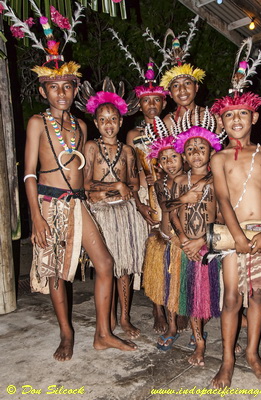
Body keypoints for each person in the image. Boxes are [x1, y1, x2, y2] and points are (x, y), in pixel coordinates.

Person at [23, 6, 136, 362]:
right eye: (54, 87)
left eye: (67, 87)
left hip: (77, 203)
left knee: (104, 263)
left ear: (74, 90)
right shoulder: (37, 124)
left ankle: (103, 334)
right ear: (44, 91)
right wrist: (36, 219)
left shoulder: (82, 127)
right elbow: (28, 173)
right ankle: (67, 334)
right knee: (58, 273)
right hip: (49, 203)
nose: (61, 93)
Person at [210, 89, 261, 387]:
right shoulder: (219, 157)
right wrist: (237, 236)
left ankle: (251, 353)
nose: (235, 119)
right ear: (220, 121)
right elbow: (223, 199)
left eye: (242, 113)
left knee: (257, 294)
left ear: (254, 116)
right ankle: (227, 358)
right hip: (232, 236)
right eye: (228, 115)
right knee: (231, 297)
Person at [80, 84, 148, 340]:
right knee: (105, 267)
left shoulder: (129, 151)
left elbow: (134, 185)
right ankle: (107, 318)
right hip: (100, 214)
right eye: (103, 120)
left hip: (125, 214)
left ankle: (124, 318)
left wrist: (119, 189)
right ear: (96, 123)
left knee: (125, 269)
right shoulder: (91, 148)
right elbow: (85, 185)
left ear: (121, 121)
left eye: (113, 119)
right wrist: (115, 187)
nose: (108, 124)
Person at [168, 124, 222, 365]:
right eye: (191, 149)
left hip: (209, 245)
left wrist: (203, 240)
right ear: (184, 154)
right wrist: (183, 239)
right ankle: (199, 342)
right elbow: (170, 211)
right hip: (186, 247)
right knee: (193, 297)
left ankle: (229, 333)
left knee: (214, 295)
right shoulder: (179, 181)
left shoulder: (217, 180)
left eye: (202, 148)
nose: (197, 153)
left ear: (211, 152)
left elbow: (221, 215)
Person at [126, 63, 171, 334]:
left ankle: (174, 304)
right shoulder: (133, 135)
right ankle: (157, 309)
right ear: (139, 105)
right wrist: (140, 195)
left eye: (156, 100)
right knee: (151, 254)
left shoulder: (171, 129)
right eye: (146, 101)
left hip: (169, 195)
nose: (151, 104)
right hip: (146, 196)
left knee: (170, 250)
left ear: (163, 102)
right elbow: (130, 172)